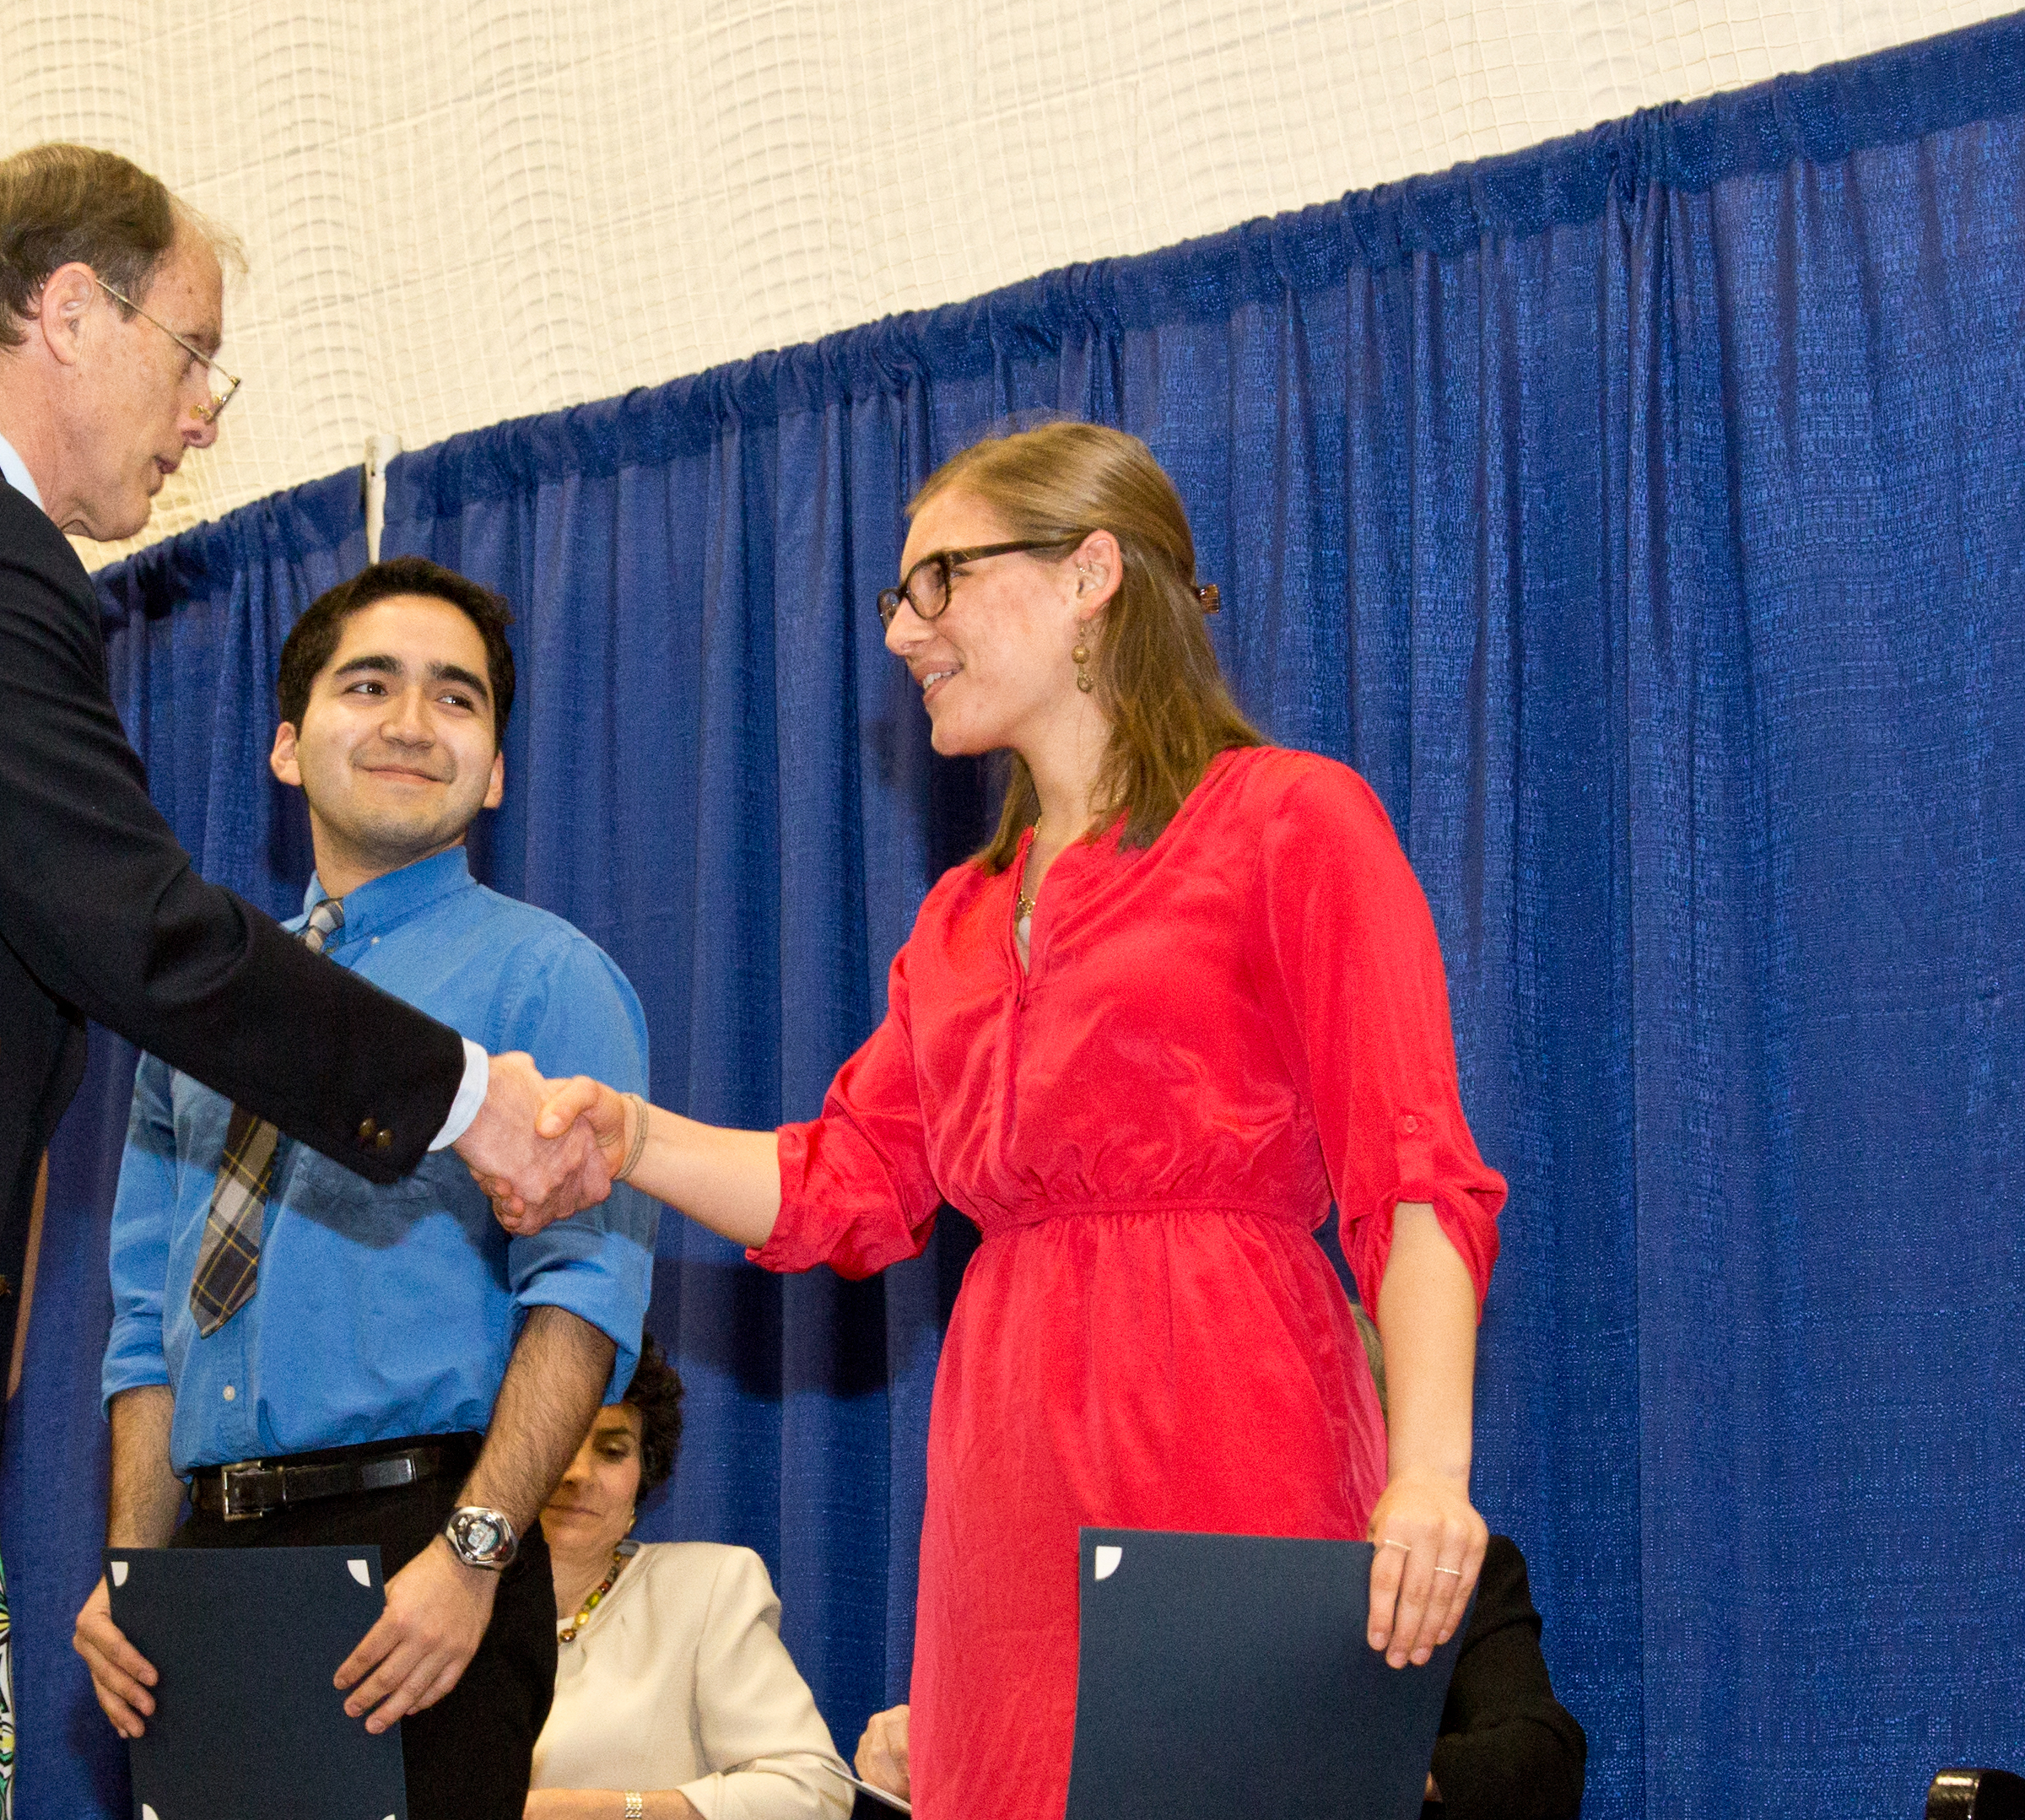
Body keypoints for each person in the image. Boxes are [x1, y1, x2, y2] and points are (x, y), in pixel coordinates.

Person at [0, 145, 609, 1814]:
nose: (204, 414)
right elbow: (147, 940)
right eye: (192, 352)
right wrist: (466, 1103)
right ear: (70, 315)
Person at [515, 420, 1510, 1818]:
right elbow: (842, 1184)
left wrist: (1428, 1478)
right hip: (1005, 1467)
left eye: (939, 581)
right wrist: (628, 1136)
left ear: (1090, 572)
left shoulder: (1291, 820)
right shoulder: (961, 915)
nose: (904, 631)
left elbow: (1414, 1177)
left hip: (1229, 1417)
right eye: (894, 597)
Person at [69, 559, 658, 1820]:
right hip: (209, 1571)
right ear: (286, 746)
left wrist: (475, 1556)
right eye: (367, 685)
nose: (406, 723)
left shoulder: (550, 984)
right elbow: (141, 1324)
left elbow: (585, 1299)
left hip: (422, 1563)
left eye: (455, 700)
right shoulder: (205, 997)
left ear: (495, 769)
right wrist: (134, 1571)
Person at [847, 1535, 1586, 1817]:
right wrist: (935, 1760)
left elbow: (1543, 1760)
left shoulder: (1457, 1575)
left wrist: (1371, 1770)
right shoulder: (1131, 1577)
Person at [526, 1352, 852, 1820]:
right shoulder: (444, 1605)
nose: (576, 1473)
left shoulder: (708, 1589)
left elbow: (812, 1794)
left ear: (644, 1476)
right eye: (557, 1442)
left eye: (612, 1450)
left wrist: (614, 1811)